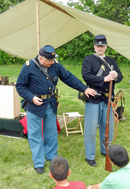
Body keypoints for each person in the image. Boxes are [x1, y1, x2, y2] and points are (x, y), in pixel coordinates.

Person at [16, 45, 96, 174]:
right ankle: (39, 163)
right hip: (34, 105)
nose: (52, 62)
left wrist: (84, 88)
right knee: (35, 135)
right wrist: (31, 98)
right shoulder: (28, 66)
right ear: (41, 58)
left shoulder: (55, 65)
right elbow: (20, 86)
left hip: (50, 103)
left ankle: (52, 158)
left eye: (53, 59)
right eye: (50, 60)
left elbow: (69, 78)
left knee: (51, 133)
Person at [82, 34, 123, 167]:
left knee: (108, 128)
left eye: (102, 46)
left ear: (106, 47)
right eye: (98, 46)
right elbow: (86, 76)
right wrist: (104, 79)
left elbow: (120, 75)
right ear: (94, 46)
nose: (100, 48)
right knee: (91, 129)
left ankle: (106, 151)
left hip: (108, 100)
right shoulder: (88, 59)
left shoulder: (111, 61)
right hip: (94, 98)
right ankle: (90, 156)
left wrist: (115, 76)